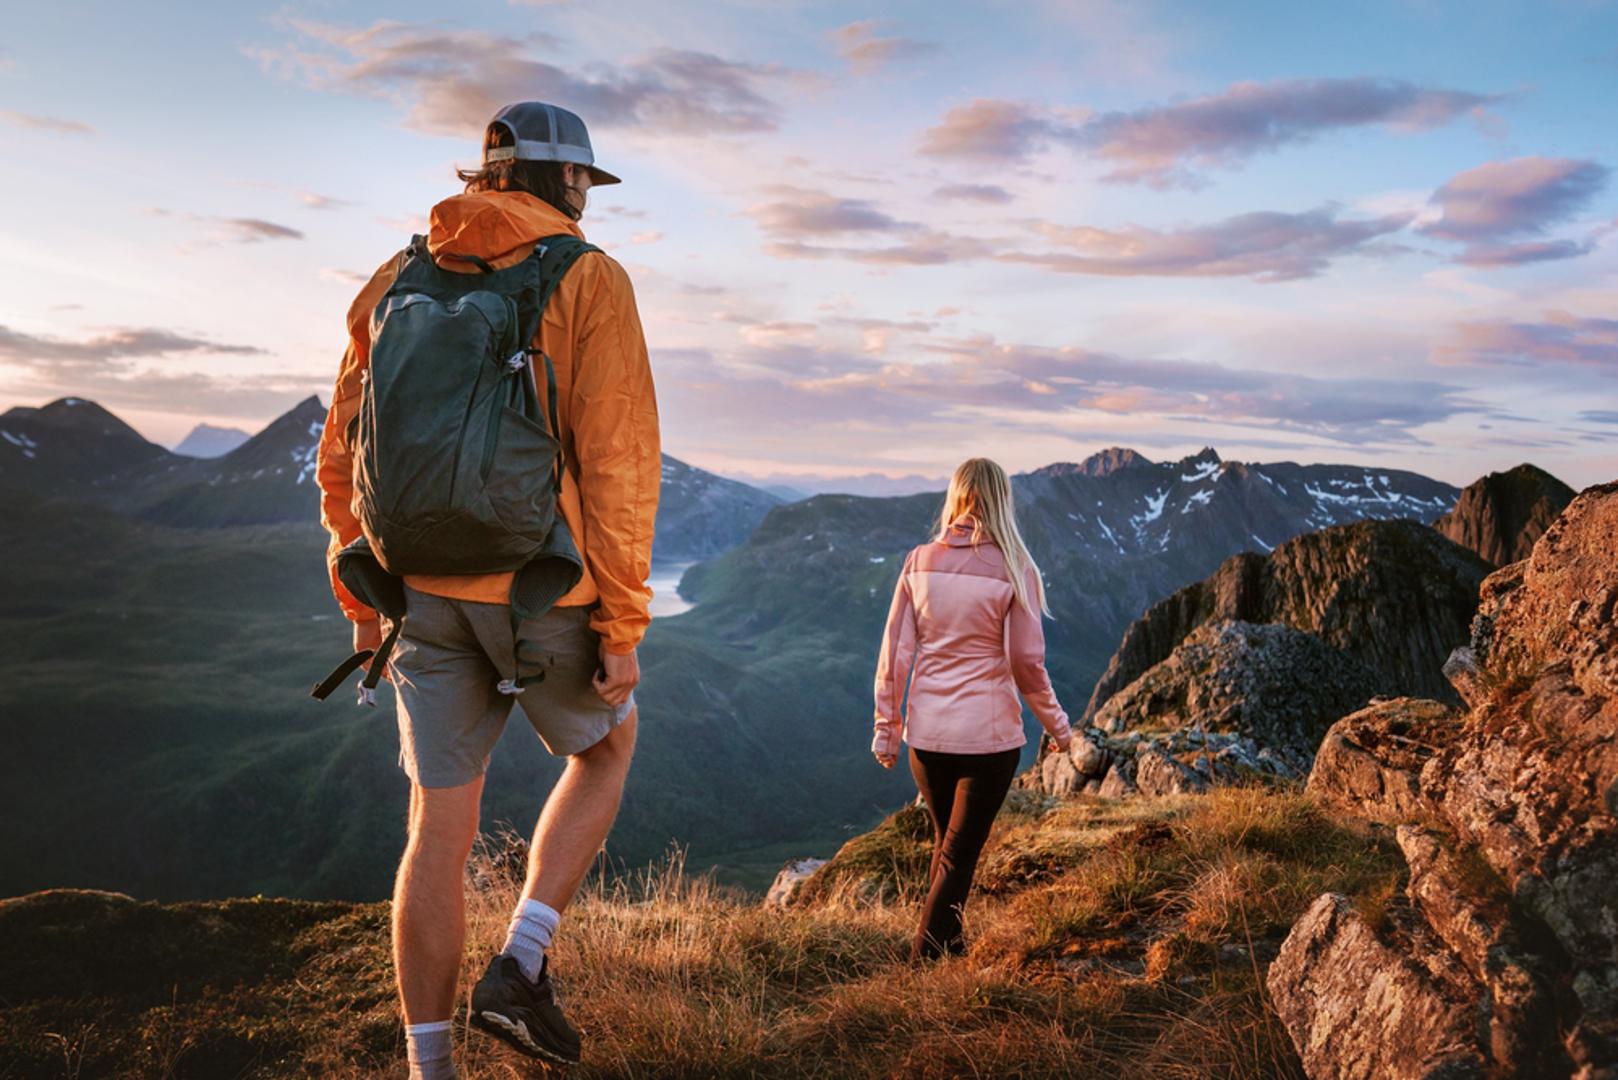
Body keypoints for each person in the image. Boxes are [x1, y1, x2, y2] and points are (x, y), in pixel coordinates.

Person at [315, 101, 659, 1077]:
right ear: (556, 180)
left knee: (436, 830)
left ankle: (431, 1068)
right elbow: (619, 460)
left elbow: (340, 449)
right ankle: (521, 962)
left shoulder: (395, 277)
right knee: (607, 751)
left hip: (417, 593)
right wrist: (623, 622)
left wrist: (361, 592)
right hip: (541, 585)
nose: (588, 198)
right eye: (584, 180)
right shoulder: (587, 279)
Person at [871, 457, 1072, 962]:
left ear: (956, 496)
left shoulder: (919, 561)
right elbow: (1027, 662)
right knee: (958, 857)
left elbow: (895, 654)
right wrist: (1059, 728)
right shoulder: (1015, 568)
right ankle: (920, 966)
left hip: (928, 740)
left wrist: (887, 731)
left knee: (949, 851)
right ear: (1002, 500)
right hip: (989, 742)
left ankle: (953, 953)